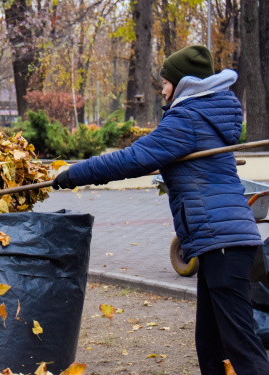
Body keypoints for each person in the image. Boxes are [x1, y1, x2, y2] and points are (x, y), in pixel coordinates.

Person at [53, 45, 269, 375]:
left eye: (166, 82)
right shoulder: (208, 114)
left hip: (221, 241)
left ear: (183, 83)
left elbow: (132, 159)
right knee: (210, 344)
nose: (163, 89)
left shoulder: (188, 117)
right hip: (223, 242)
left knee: (241, 345)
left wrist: (75, 173)